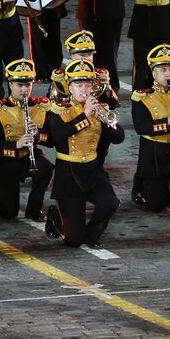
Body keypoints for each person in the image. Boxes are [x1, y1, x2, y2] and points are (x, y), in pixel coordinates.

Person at [44, 60, 125, 247]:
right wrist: (85, 115)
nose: (83, 90)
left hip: (92, 170)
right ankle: (56, 218)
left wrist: (107, 121)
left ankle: (92, 234)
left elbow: (119, 137)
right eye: (78, 85)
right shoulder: (59, 110)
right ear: (69, 88)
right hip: (68, 173)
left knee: (110, 203)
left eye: (87, 85)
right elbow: (57, 137)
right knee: (73, 241)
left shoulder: (100, 109)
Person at [0, 58, 52, 221]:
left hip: (29, 155)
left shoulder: (40, 107)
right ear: (11, 85)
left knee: (45, 168)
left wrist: (38, 134)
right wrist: (16, 144)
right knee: (8, 213)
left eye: (28, 85)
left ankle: (34, 209)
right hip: (5, 159)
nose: (24, 89)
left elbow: (52, 140)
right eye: (20, 85)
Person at [130, 44, 170, 213]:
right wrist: (168, 122)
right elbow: (141, 127)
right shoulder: (142, 97)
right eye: (163, 70)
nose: (168, 73)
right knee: (155, 205)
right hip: (155, 152)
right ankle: (141, 180)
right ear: (153, 73)